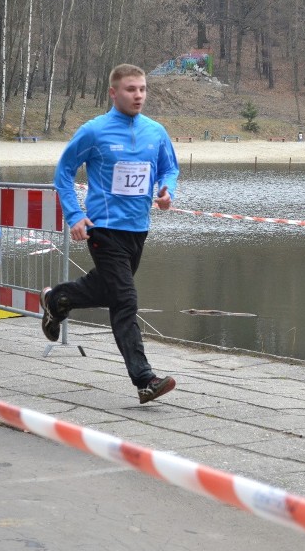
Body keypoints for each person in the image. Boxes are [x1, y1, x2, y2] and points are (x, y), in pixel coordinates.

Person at [41, 63, 179, 404]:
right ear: (113, 93)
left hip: (138, 229)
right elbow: (63, 173)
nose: (139, 95)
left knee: (108, 289)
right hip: (103, 228)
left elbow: (169, 167)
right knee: (125, 300)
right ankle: (145, 379)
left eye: (143, 89)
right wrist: (74, 215)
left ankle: (59, 299)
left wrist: (166, 190)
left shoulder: (155, 131)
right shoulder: (94, 131)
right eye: (131, 89)